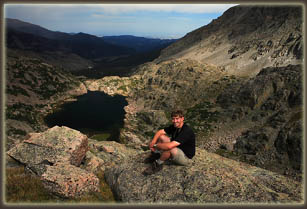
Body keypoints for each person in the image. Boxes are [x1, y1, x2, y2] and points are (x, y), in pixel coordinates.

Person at [142, 109, 195, 176]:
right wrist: (153, 142)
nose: (175, 121)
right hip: (178, 148)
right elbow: (160, 132)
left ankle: (158, 164)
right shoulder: (175, 127)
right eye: (173, 119)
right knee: (161, 137)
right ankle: (156, 154)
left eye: (177, 119)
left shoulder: (186, 131)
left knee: (169, 148)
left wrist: (155, 145)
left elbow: (169, 146)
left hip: (185, 157)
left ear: (182, 118)